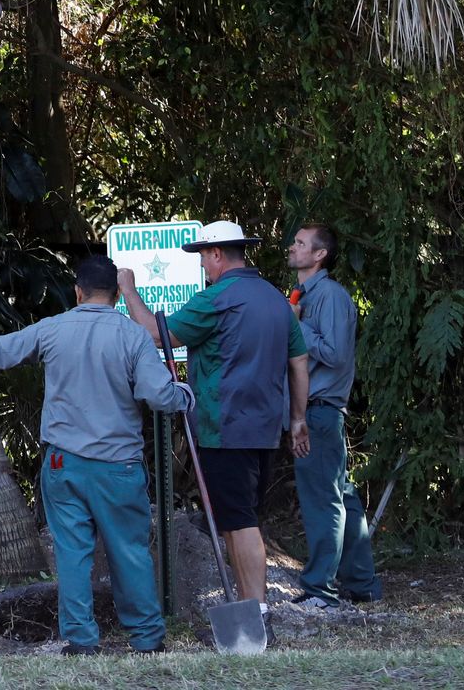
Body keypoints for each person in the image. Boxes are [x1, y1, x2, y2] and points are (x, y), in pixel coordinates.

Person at [0, 255, 193, 655]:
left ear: (78, 291)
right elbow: (157, 395)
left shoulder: (54, 328)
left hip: (63, 465)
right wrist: (182, 394)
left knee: (72, 554)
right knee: (129, 552)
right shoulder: (133, 335)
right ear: (117, 296)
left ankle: (82, 641)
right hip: (118, 466)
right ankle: (147, 639)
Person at [118, 219, 309, 643]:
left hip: (225, 428)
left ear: (218, 254)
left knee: (240, 523)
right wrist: (297, 419)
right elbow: (299, 361)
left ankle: (256, 621)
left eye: (203, 256)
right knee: (238, 518)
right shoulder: (276, 301)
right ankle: (248, 613)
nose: (203, 265)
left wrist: (128, 290)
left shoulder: (218, 298)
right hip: (263, 429)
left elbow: (153, 334)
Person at [286, 223, 382, 606]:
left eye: (300, 243)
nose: (292, 248)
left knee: (322, 500)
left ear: (320, 254)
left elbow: (337, 353)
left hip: (320, 412)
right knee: (342, 494)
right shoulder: (303, 295)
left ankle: (320, 591)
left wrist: (295, 325)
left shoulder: (332, 297)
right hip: (312, 411)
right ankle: (360, 584)